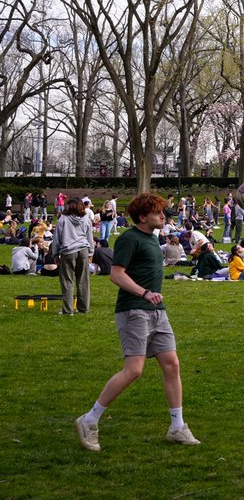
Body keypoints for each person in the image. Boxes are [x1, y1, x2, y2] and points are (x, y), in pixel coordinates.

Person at [74, 193, 200, 451]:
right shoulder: (129, 239)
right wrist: (144, 293)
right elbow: (116, 275)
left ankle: (177, 427)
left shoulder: (152, 238)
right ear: (143, 217)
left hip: (157, 311)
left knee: (172, 364)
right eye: (157, 213)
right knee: (134, 370)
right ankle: (89, 420)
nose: (163, 217)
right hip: (134, 310)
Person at [51, 197, 95, 315]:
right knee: (83, 280)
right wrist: (91, 252)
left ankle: (68, 309)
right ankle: (83, 308)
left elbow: (57, 238)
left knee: (67, 281)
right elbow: (89, 236)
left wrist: (55, 254)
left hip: (68, 251)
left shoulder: (63, 219)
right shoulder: (86, 219)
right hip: (83, 250)